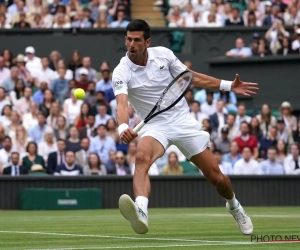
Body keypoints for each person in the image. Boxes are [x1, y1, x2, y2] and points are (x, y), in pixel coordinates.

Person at [112, 19, 258, 235]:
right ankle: (141, 211)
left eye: (136, 40)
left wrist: (228, 86)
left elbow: (191, 78)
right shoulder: (121, 71)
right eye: (128, 39)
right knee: (141, 157)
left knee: (217, 178)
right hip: (155, 126)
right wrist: (123, 125)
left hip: (182, 121)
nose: (131, 44)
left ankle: (234, 205)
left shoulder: (164, 55)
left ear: (147, 42)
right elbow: (121, 104)